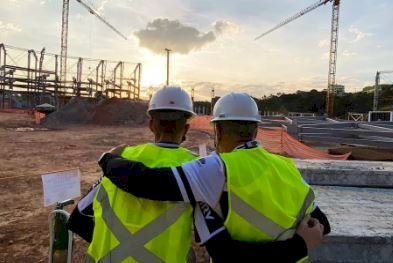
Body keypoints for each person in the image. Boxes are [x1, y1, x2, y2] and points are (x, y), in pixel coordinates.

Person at [98, 92, 331, 262]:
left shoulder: (217, 168)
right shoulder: (287, 168)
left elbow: (148, 182)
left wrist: (108, 159)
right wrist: (300, 245)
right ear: (256, 129)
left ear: (218, 131)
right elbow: (322, 224)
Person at [83, 86, 199, 263]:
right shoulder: (197, 168)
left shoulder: (120, 157)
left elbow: (81, 215)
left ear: (151, 124)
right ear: (187, 128)